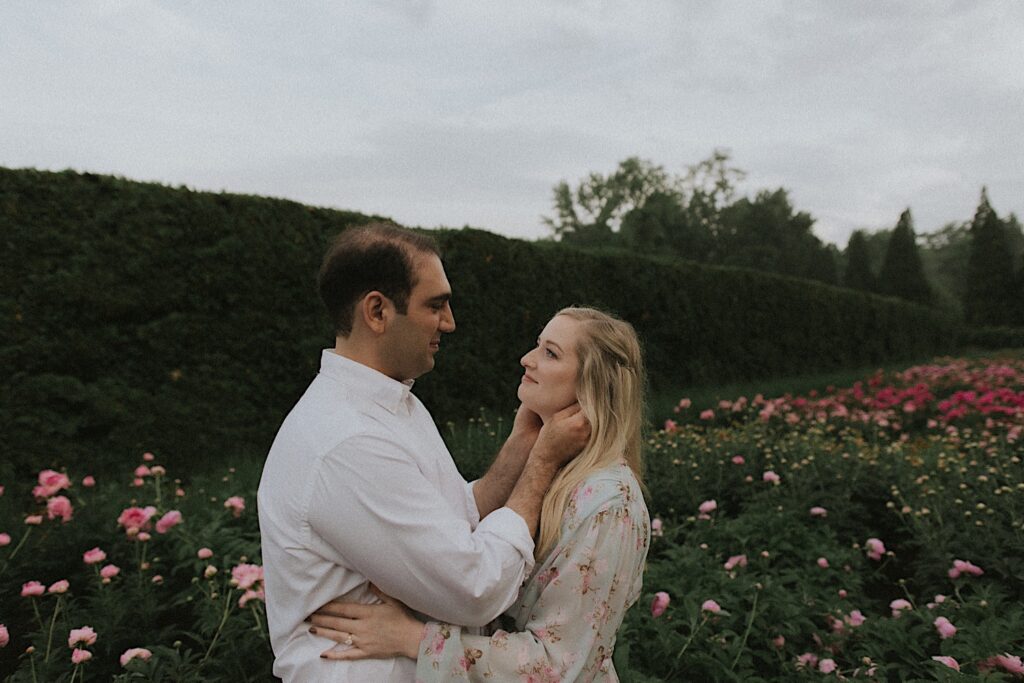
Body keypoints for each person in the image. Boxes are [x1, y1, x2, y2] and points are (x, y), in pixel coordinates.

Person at [257, 223, 589, 682]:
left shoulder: (395, 403)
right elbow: (474, 587)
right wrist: (542, 465)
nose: (449, 321)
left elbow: (456, 518)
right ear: (377, 311)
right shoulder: (348, 441)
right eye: (435, 305)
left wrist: (522, 444)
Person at [309, 306, 651, 681]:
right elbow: (474, 556)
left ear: (594, 385)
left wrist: (415, 638)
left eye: (550, 353)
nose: (527, 359)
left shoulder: (608, 504)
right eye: (537, 346)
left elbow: (559, 665)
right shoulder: (548, 466)